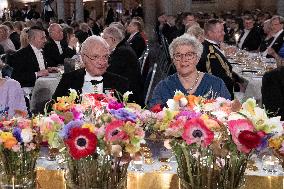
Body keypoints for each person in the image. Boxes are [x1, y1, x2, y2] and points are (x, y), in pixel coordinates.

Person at [149, 35, 231, 107]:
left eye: (189, 55)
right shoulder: (164, 87)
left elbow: (227, 114)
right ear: (173, 60)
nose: (183, 60)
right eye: (178, 55)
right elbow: (154, 116)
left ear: (197, 58)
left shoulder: (216, 84)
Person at [53, 35, 129, 99]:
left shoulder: (120, 83)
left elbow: (130, 113)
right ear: (83, 58)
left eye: (105, 56)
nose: (102, 62)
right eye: (96, 56)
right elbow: (52, 109)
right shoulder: (68, 80)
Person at [102, 26, 143, 105]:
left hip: (128, 96)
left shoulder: (122, 52)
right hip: (127, 88)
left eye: (104, 38)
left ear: (112, 39)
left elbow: (109, 74)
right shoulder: (123, 47)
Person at [197, 19, 237, 99]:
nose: (224, 33)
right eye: (221, 31)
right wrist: (237, 86)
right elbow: (218, 79)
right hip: (219, 96)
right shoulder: (211, 54)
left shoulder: (207, 46)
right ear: (210, 33)